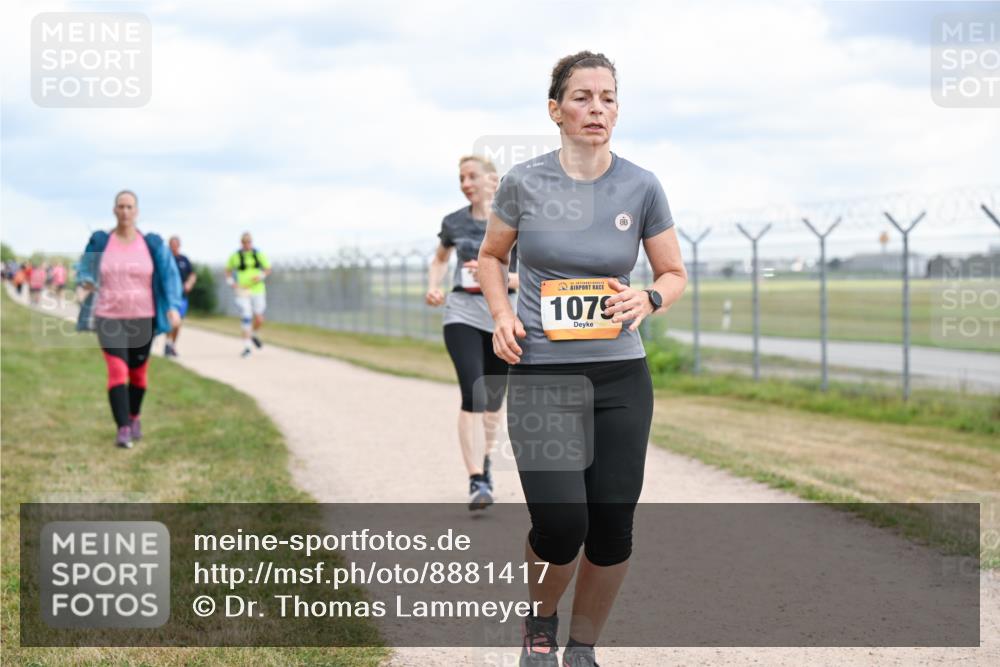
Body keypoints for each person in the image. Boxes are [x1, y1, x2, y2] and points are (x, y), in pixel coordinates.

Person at [477, 51, 687, 667]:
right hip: (543, 373)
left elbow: (673, 273)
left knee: (612, 527)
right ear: (555, 110)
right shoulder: (525, 183)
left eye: (608, 98)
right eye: (583, 97)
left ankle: (582, 649)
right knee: (562, 524)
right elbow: (492, 257)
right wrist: (501, 313)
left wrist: (649, 296)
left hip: (622, 375)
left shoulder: (641, 185)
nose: (597, 108)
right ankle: (540, 624)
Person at [426, 155, 519, 511]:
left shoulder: (515, 223)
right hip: (461, 314)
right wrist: (434, 286)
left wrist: (498, 277)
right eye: (461, 178)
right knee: (473, 394)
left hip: (502, 318)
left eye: (471, 176)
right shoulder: (453, 222)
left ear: (492, 180)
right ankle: (476, 478)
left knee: (493, 402)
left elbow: (530, 275)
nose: (465, 183)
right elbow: (439, 259)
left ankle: (486, 462)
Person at [75, 190, 183, 448]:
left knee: (138, 375)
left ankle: (134, 417)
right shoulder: (101, 241)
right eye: (120, 206)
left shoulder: (152, 244)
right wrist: (84, 284)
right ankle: (123, 428)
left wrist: (172, 306)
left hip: (142, 317)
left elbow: (168, 275)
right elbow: (85, 268)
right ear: (114, 210)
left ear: (137, 212)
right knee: (117, 370)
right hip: (108, 316)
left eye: (129, 207)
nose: (125, 211)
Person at [225, 232, 271, 358]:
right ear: (242, 243)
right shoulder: (235, 256)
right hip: (242, 290)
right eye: (245, 242)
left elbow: (267, 268)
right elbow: (228, 270)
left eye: (249, 242)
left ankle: (253, 334)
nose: (247, 244)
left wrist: (260, 276)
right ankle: (247, 347)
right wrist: (231, 282)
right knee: (246, 316)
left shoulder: (257, 254)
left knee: (259, 318)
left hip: (257, 289)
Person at [164, 236, 197, 357]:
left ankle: (172, 345)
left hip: (181, 296)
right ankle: (167, 344)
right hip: (168, 296)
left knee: (178, 322)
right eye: (171, 244)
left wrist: (189, 283)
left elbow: (192, 274)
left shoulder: (184, 259)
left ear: (179, 245)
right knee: (170, 320)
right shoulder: (166, 259)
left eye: (175, 244)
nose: (173, 247)